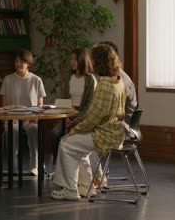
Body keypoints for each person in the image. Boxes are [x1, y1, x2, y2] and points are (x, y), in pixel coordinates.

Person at [51, 43, 126, 201]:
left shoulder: (104, 85)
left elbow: (92, 119)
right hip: (115, 132)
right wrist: (77, 128)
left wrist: (73, 130)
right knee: (78, 147)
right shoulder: (118, 81)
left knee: (66, 143)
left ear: (99, 62)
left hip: (105, 135)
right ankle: (87, 187)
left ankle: (70, 189)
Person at [0, 49, 46, 176]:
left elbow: (40, 104)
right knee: (12, 130)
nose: (18, 64)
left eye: (21, 62)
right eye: (16, 61)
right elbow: (4, 104)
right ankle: (13, 166)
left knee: (33, 129)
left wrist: (35, 116)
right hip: (13, 117)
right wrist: (8, 117)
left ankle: (35, 165)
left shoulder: (36, 80)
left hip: (30, 117)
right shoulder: (8, 79)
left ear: (28, 63)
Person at [50, 48, 96, 164]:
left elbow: (89, 105)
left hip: (82, 116)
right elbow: (64, 100)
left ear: (82, 60)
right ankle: (58, 166)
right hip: (68, 114)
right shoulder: (68, 77)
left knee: (72, 135)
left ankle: (74, 166)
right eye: (72, 59)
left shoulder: (90, 79)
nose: (72, 62)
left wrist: (75, 120)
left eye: (75, 59)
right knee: (55, 133)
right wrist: (66, 118)